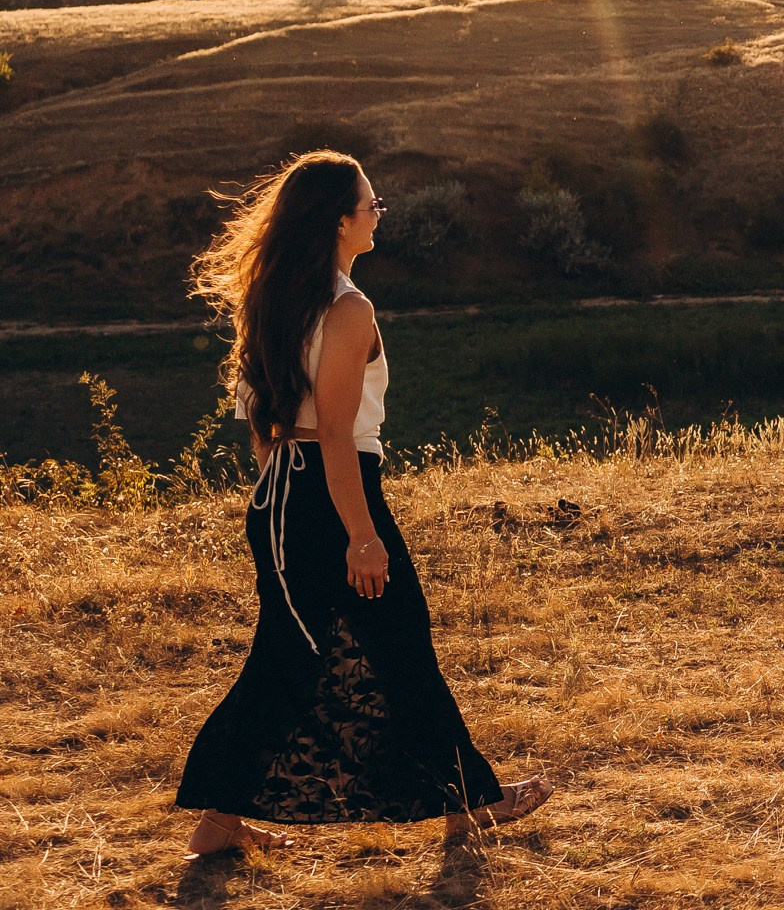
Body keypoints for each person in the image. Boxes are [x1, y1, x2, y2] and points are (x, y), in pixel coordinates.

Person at [176, 151, 552, 859]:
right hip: (328, 497)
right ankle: (467, 806)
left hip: (288, 498)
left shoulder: (279, 297)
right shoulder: (347, 310)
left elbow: (268, 422)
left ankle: (227, 823)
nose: (380, 214)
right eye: (372, 204)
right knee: (332, 652)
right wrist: (361, 534)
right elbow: (338, 437)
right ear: (340, 220)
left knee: (367, 645)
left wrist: (277, 497)